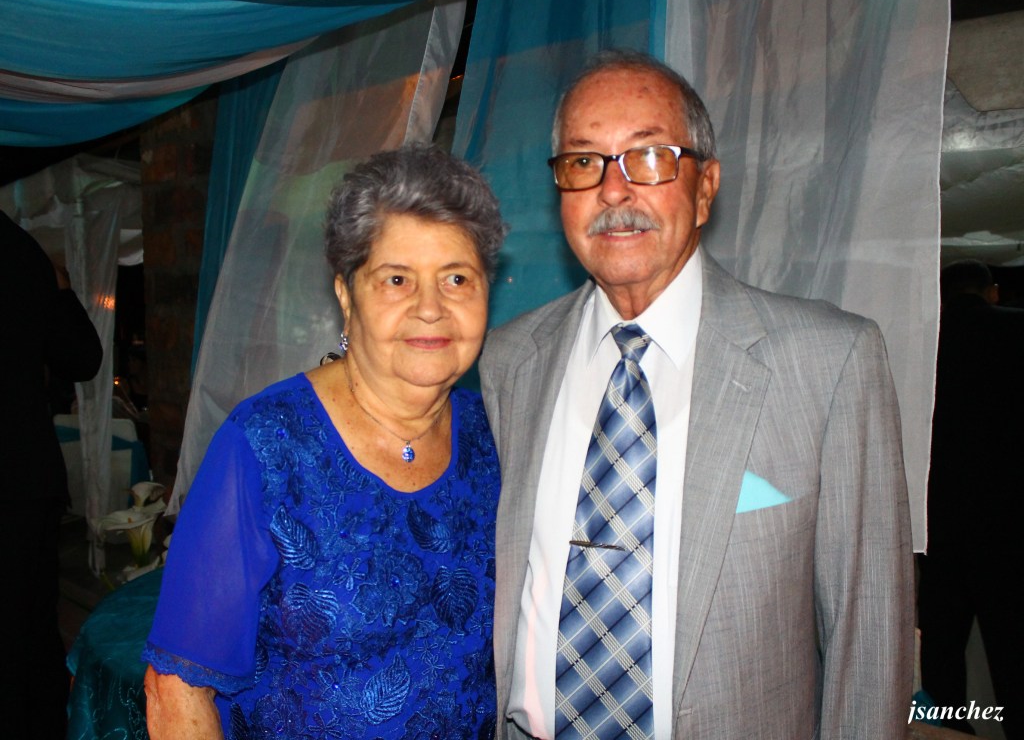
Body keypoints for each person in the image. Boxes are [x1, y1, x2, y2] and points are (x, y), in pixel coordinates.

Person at [479, 50, 913, 739]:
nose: (614, 191)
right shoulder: (507, 361)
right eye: (585, 162)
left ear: (705, 187)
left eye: (649, 158)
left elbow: (870, 640)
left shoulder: (829, 362)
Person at [143, 145, 508, 740]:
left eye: (457, 278)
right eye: (397, 279)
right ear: (346, 292)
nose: (431, 308)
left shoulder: (496, 433)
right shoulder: (266, 445)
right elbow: (176, 689)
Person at [0, 210, 103, 740]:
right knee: (30, 635)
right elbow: (81, 357)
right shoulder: (21, 251)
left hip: (22, 478)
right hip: (21, 476)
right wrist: (58, 289)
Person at [918, 260, 1024, 737]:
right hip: (1009, 521)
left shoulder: (923, 342)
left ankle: (947, 730)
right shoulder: (1015, 331)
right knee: (1013, 648)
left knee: (940, 648)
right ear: (992, 292)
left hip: (939, 521)